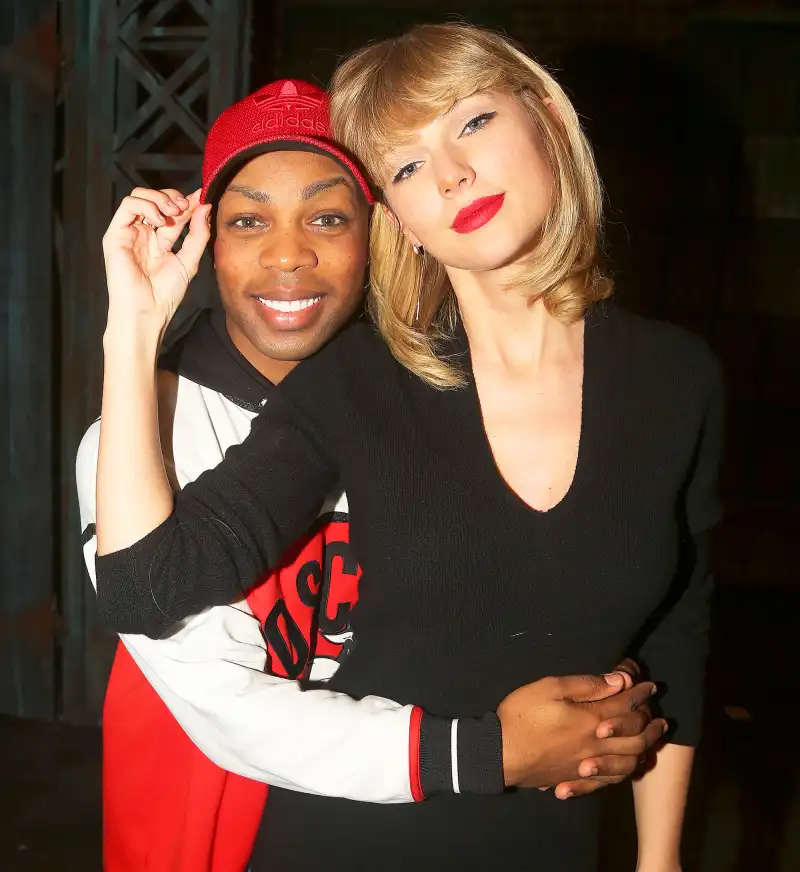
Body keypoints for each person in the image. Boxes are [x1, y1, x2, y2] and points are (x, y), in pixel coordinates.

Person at [91, 18, 723, 867]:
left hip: (557, 842)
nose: (453, 173)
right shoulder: (357, 383)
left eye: (471, 122)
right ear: (406, 220)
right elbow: (143, 589)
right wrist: (131, 330)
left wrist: (661, 857)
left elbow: (681, 620)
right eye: (410, 164)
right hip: (346, 841)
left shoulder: (679, 377)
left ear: (546, 119)